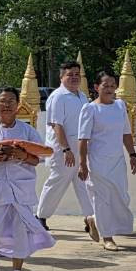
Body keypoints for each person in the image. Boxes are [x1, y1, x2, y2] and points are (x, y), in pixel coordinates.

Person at [0, 87, 54, 271]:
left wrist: (21, 155)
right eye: (2, 101)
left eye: (10, 101)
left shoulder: (27, 131)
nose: (6, 105)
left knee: (21, 232)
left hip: (21, 188)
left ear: (18, 105)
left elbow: (39, 159)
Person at [76, 69, 136, 251]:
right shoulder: (90, 109)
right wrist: (82, 164)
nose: (109, 88)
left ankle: (94, 220)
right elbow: (83, 138)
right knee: (102, 199)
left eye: (112, 85)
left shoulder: (120, 106)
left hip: (117, 161)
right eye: (105, 85)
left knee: (120, 197)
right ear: (96, 87)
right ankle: (107, 237)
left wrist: (132, 155)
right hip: (96, 162)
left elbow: (126, 133)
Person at [35, 61, 93, 232]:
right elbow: (56, 125)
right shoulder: (58, 96)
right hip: (63, 150)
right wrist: (66, 149)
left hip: (81, 148)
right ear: (62, 77)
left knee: (84, 182)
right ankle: (40, 216)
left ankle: (91, 218)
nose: (74, 77)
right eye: (70, 74)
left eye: (77, 74)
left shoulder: (82, 96)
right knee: (57, 183)